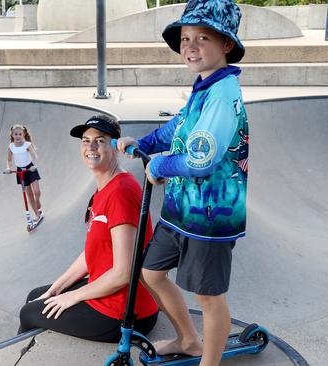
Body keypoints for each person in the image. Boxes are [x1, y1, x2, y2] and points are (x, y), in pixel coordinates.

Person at [116, 1, 249, 365]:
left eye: (202, 37)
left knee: (209, 297)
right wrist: (144, 143)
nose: (189, 45)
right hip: (181, 209)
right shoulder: (205, 86)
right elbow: (180, 126)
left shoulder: (224, 95)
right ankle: (188, 340)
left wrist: (161, 165)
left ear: (226, 45)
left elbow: (200, 158)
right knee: (150, 272)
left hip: (210, 215)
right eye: (185, 37)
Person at [18, 115, 159, 342]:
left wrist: (73, 296)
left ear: (115, 147)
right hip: (111, 292)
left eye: (100, 141)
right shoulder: (104, 187)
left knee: (28, 313)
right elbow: (92, 252)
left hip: (125, 313)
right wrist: (57, 288)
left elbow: (123, 273)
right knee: (37, 296)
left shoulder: (121, 193)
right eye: (85, 140)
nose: (90, 147)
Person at [5, 124, 44, 222]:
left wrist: (34, 165)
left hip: (30, 168)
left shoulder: (27, 145)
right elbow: (9, 160)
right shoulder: (11, 147)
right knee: (29, 194)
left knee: (37, 192)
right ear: (12, 135)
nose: (18, 136)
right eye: (16, 134)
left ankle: (38, 202)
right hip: (20, 171)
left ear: (24, 134)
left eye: (20, 134)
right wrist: (9, 168)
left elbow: (35, 157)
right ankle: (37, 214)